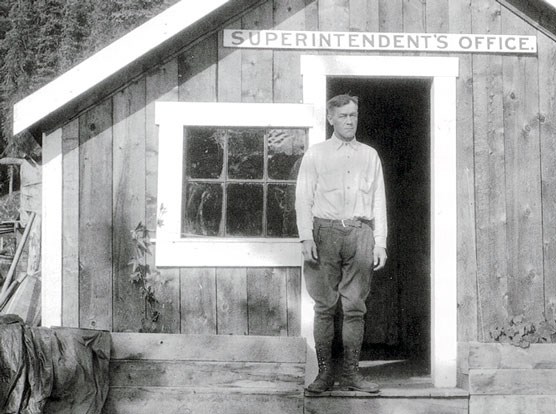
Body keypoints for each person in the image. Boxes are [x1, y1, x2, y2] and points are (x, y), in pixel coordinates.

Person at [295, 94, 387, 394]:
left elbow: (378, 201)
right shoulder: (317, 154)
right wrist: (306, 235)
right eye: (344, 116)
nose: (350, 121)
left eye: (354, 115)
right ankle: (323, 375)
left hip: (360, 232)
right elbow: (303, 198)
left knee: (355, 308)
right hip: (325, 234)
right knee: (324, 307)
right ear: (331, 118)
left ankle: (351, 374)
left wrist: (380, 242)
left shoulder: (369, 155)